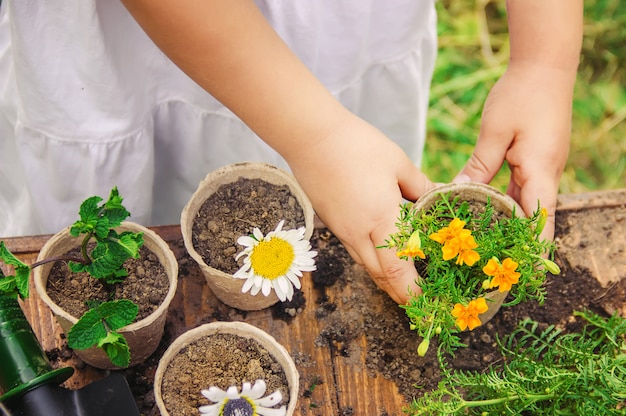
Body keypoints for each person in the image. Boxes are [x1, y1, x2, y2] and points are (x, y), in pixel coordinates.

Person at [0, 1, 582, 304]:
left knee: (359, 191)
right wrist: (318, 136)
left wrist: (545, 61)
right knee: (114, 249)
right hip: (152, 33)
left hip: (347, 23)